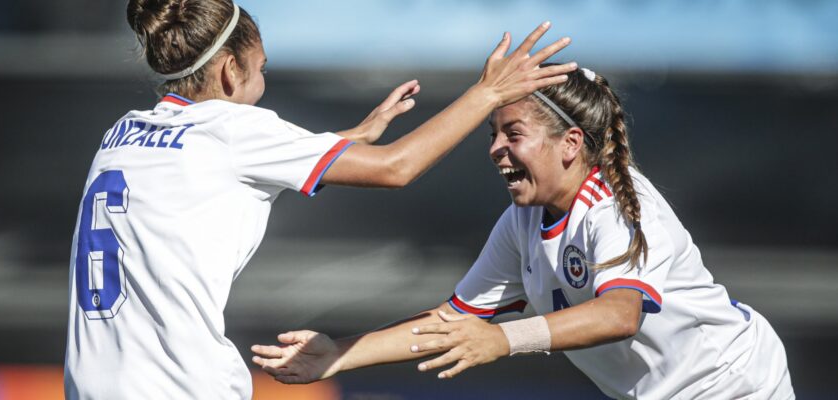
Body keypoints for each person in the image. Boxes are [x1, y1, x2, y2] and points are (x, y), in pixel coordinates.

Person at [63, 0, 577, 397]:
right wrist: (486, 93)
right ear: (229, 71)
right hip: (179, 386)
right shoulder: (234, 128)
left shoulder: (123, 133)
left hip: (88, 385)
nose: (262, 80)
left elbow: (218, 167)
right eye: (260, 68)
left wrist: (350, 136)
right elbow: (398, 169)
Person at [251, 66, 795, 399]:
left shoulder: (621, 205)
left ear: (571, 143)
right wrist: (339, 354)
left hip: (738, 386)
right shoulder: (522, 221)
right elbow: (454, 322)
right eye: (493, 134)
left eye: (513, 133)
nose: (495, 149)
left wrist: (503, 340)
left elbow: (619, 314)